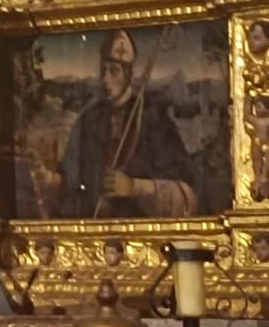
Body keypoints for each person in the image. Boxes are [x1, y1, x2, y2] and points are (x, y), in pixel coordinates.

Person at [57, 29, 198, 216]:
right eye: (103, 71)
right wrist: (51, 181)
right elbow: (70, 181)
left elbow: (188, 196)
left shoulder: (153, 118)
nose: (105, 80)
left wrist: (135, 188)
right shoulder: (89, 119)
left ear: (129, 74)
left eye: (114, 71)